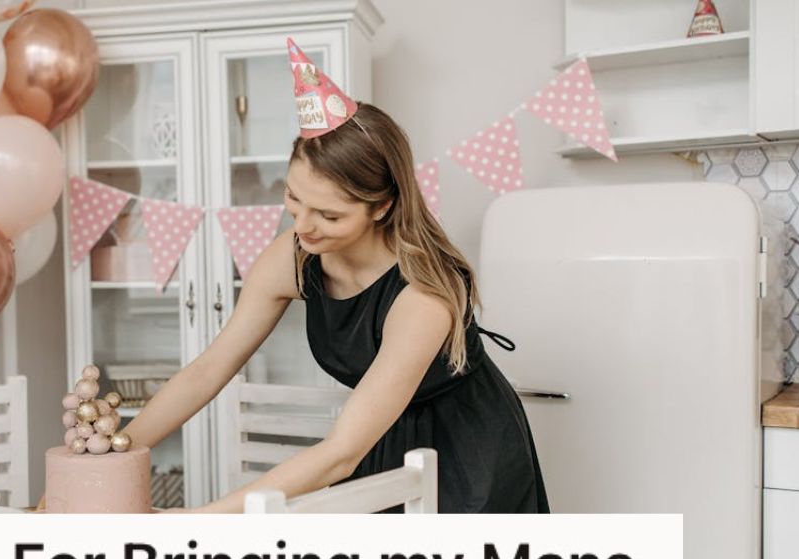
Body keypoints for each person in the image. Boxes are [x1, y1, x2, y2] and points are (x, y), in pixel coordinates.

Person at [122, 39, 548, 514]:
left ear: (381, 207)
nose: (303, 227)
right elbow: (208, 370)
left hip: (466, 456)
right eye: (294, 198)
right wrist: (116, 453)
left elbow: (341, 453)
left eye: (329, 215)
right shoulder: (295, 256)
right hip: (378, 436)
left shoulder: (422, 297)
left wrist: (201, 521)